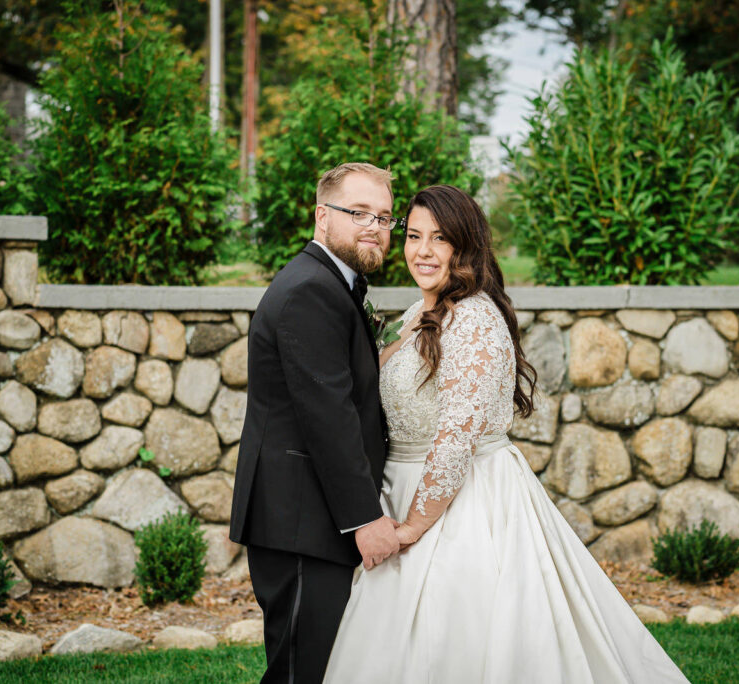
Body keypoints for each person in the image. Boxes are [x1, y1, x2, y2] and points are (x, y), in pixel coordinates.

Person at [324, 185, 690, 683]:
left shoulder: (473, 319)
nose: (423, 251)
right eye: (412, 236)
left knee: (462, 636)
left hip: (464, 502)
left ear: (465, 246)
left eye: (440, 239)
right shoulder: (416, 313)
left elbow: (456, 436)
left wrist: (409, 528)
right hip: (402, 488)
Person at [230, 162, 404, 684]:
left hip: (307, 514)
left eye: (385, 217)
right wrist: (365, 518)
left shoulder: (333, 283)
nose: (374, 226)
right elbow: (327, 416)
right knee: (302, 670)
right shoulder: (311, 289)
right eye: (360, 213)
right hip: (303, 518)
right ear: (322, 216)